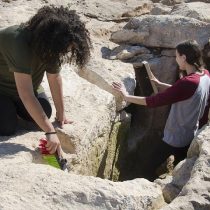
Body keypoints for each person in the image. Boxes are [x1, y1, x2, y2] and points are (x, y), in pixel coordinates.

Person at [0, 5, 91, 157]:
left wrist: (61, 115)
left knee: (45, 113)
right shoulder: (16, 41)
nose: (67, 51)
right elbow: (26, 94)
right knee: (6, 126)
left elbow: (54, 78)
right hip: (3, 89)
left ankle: (13, 108)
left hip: (24, 89)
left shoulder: (50, 46)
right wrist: (50, 131)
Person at [112, 40, 210, 180]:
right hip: (191, 133)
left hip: (175, 137)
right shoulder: (205, 75)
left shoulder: (187, 82)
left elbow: (154, 101)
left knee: (146, 166)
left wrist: (126, 96)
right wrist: (159, 84)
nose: (176, 60)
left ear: (184, 58)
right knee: (180, 168)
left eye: (177, 56)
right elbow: (184, 93)